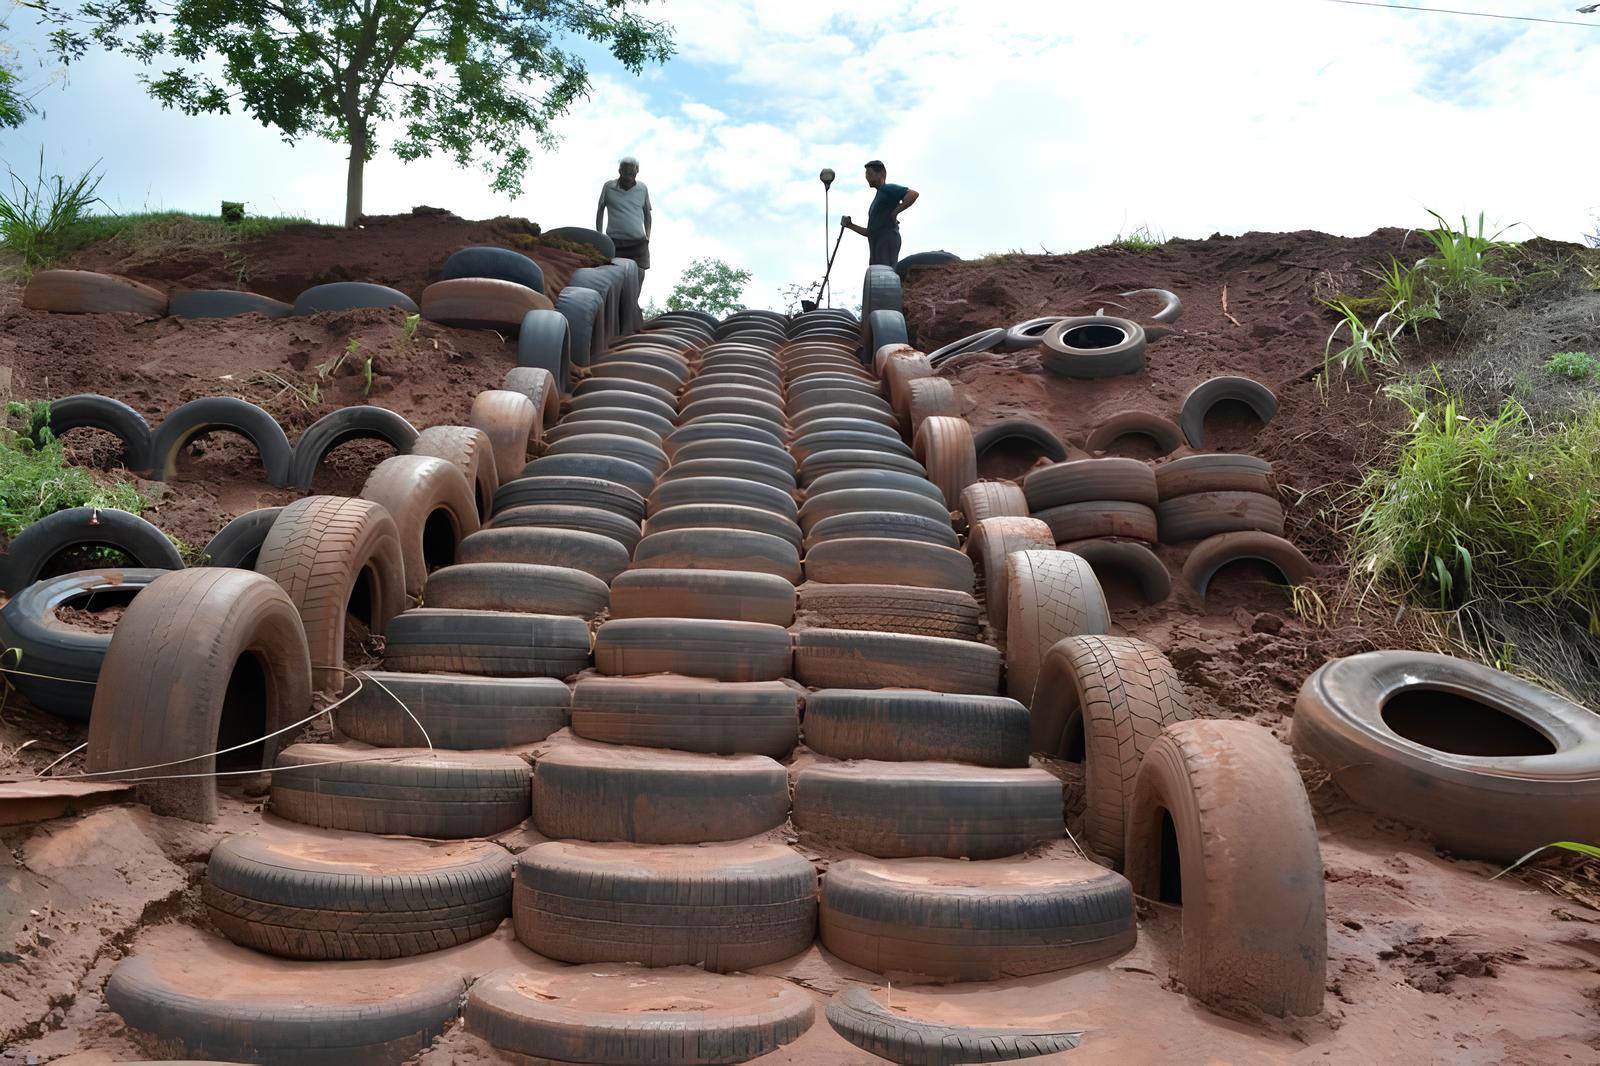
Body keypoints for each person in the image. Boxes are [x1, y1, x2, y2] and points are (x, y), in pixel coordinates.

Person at [842, 160, 918, 267]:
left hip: (886, 239)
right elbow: (869, 232)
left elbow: (913, 194)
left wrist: (895, 213)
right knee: (877, 275)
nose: (867, 177)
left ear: (882, 173)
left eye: (869, 174)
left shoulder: (887, 189)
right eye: (866, 175)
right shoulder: (878, 198)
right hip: (876, 244)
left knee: (886, 274)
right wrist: (850, 225)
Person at [596, 156, 652, 279]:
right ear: (619, 171)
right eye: (625, 172)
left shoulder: (642, 188)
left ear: (637, 171)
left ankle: (633, 299)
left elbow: (648, 215)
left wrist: (648, 237)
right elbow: (600, 210)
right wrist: (599, 235)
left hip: (638, 243)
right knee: (611, 276)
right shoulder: (608, 186)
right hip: (614, 242)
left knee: (638, 275)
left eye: (631, 173)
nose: (628, 177)